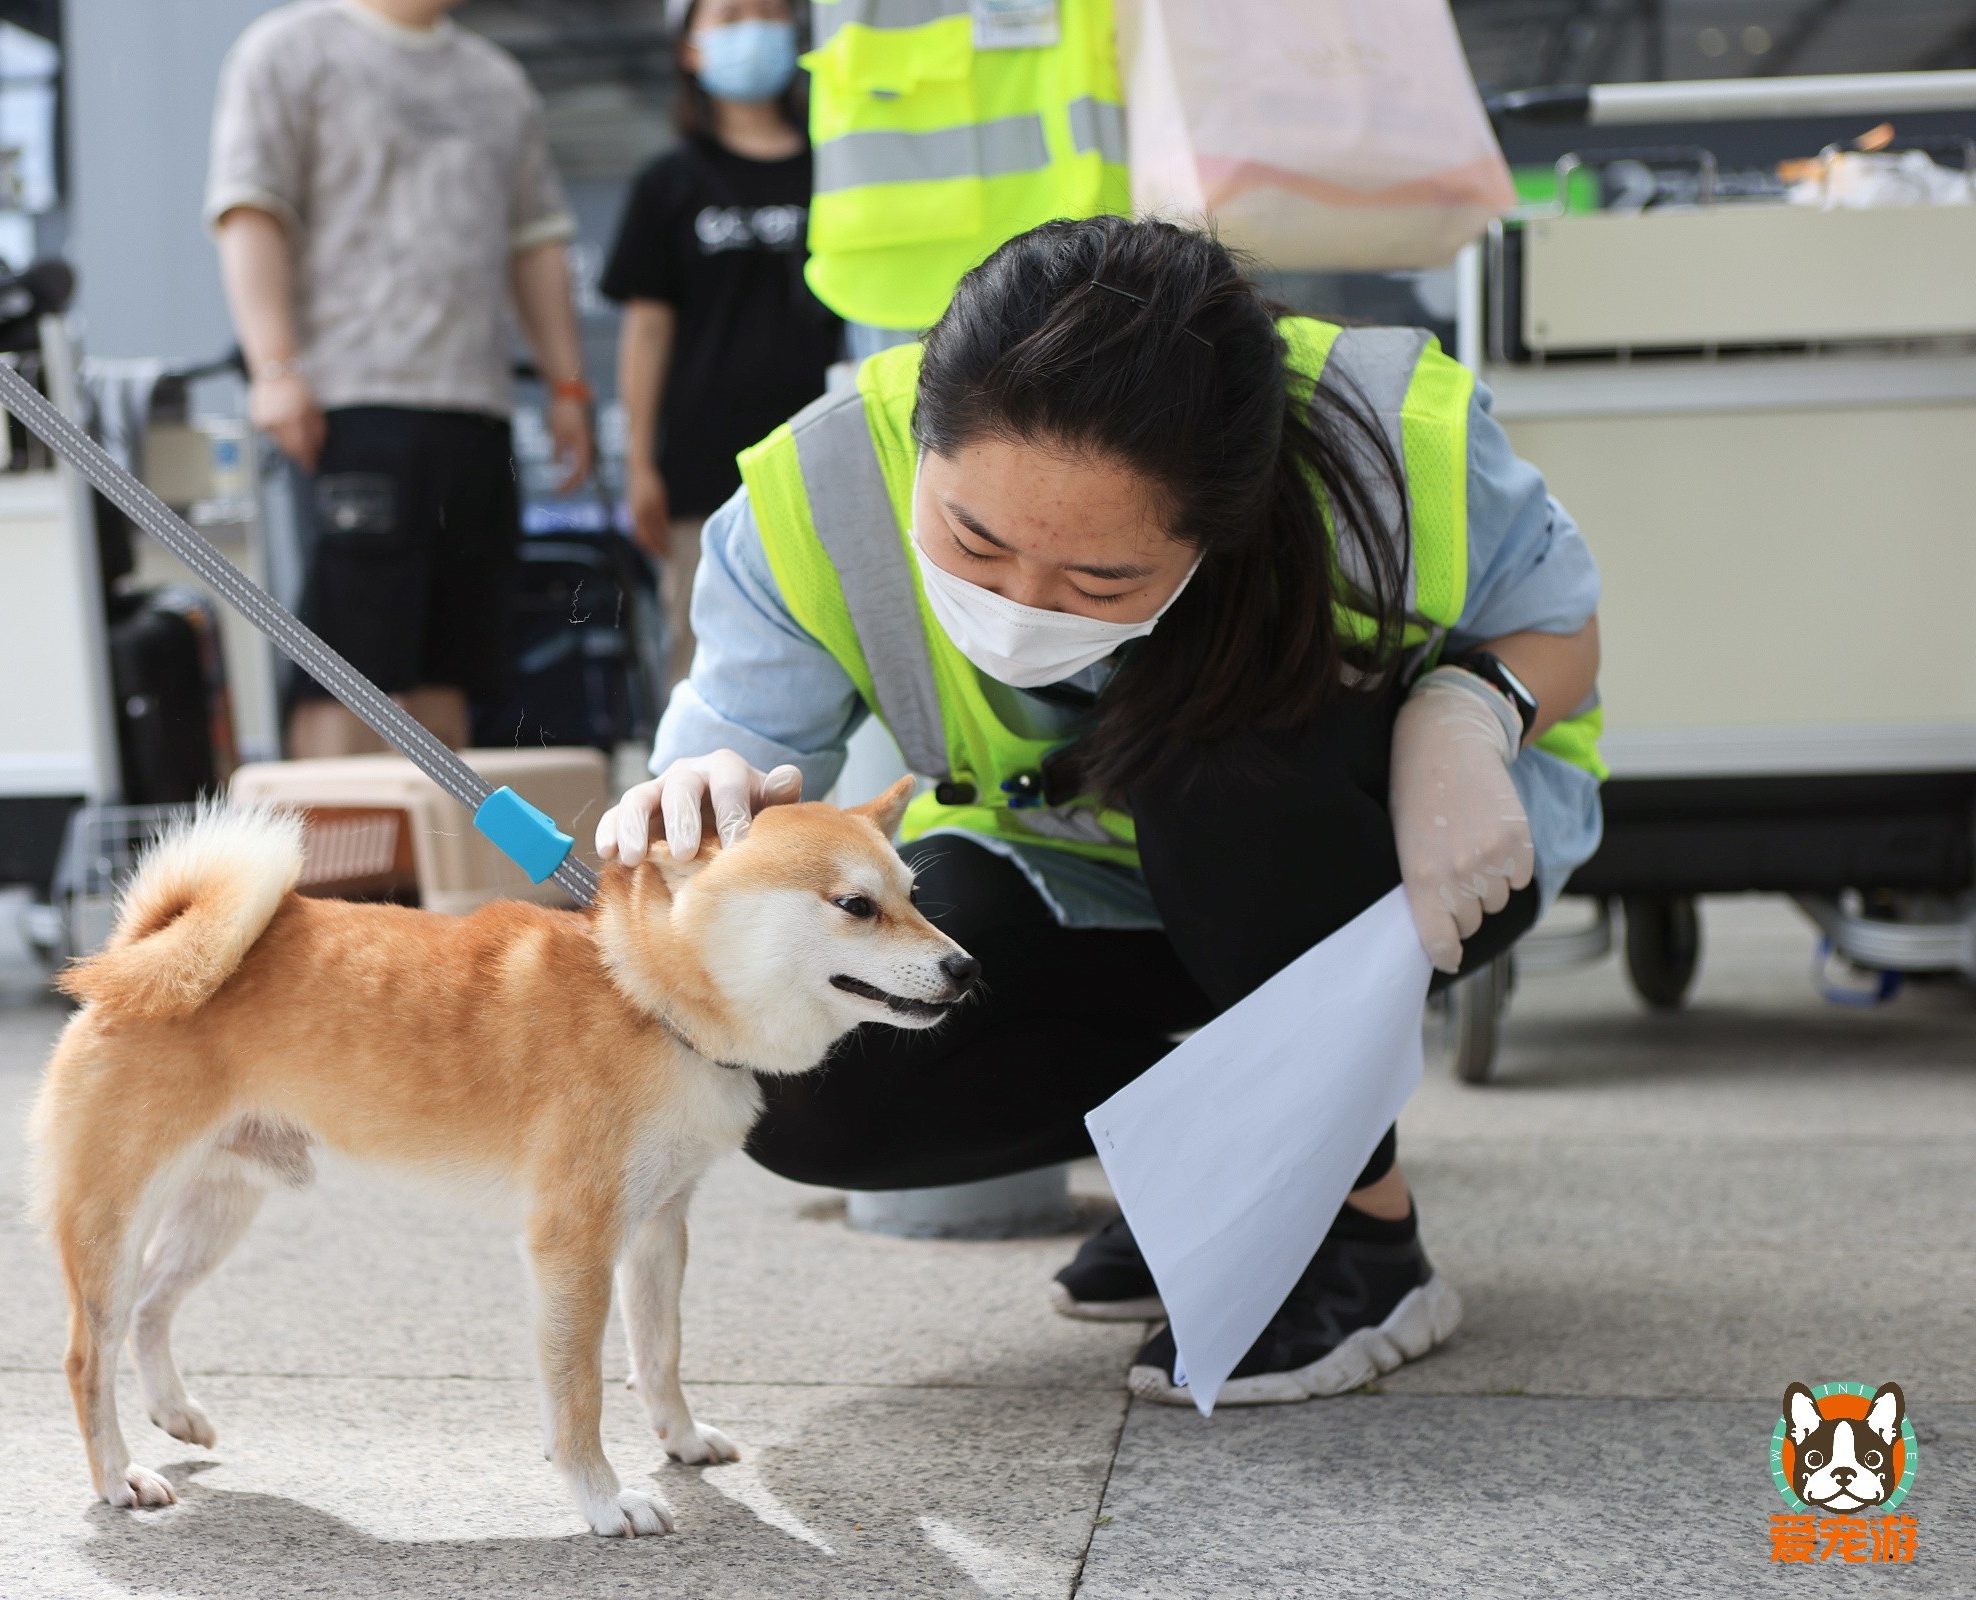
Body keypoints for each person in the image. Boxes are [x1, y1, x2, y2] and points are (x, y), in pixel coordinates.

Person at [595, 217, 1605, 1407]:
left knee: (1216, 777)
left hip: (1395, 857)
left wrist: (1472, 713)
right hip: (1071, 873)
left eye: (1102, 580)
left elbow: (1561, 622)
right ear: (925, 433)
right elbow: (738, 751)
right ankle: (1215, 1164)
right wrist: (698, 794)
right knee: (819, 1071)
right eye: (973, 540)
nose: (1023, 602)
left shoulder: (1389, 434)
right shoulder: (815, 489)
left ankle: (1366, 1244)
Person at [207, 0, 594, 758]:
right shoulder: (290, 49)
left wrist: (568, 385)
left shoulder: (496, 79)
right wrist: (274, 366)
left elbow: (535, 239)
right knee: (346, 663)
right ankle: (321, 871)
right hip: (351, 400)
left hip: (476, 408)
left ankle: (431, 869)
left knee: (452, 665)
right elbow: (250, 209)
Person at [600, 0, 841, 692]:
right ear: (689, 49)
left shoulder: (837, 166)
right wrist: (641, 460)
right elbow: (647, 331)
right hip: (707, 460)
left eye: (768, 13)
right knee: (707, 654)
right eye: (731, 16)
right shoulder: (670, 182)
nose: (755, 29)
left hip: (827, 445)